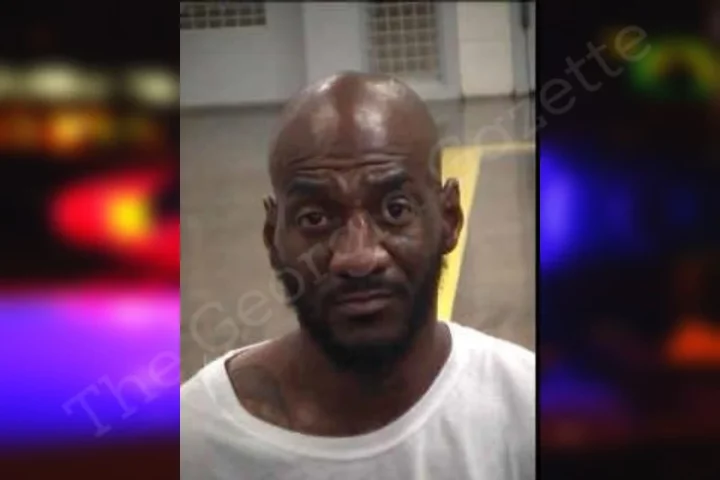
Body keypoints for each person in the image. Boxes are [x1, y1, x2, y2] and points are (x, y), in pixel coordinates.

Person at [181, 71, 535, 479]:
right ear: (272, 236)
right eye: (315, 218)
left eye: (395, 210)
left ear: (449, 218)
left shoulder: (525, 410)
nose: (357, 256)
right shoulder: (194, 441)